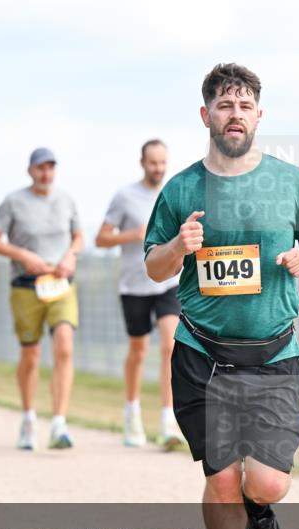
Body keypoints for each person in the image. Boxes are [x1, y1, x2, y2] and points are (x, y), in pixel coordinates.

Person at [144, 63, 299, 529]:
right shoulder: (181, 189)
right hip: (203, 354)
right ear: (206, 115)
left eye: (245, 106)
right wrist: (179, 246)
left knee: (268, 483)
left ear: (259, 115)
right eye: (225, 106)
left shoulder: (289, 182)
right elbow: (155, 268)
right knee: (222, 477)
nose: (235, 115)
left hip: (274, 353)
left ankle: (260, 508)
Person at [0, 147, 84, 451]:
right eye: (41, 168)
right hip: (26, 285)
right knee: (31, 355)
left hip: (60, 283)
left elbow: (78, 236)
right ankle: (28, 418)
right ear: (30, 170)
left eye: (51, 167)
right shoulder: (14, 201)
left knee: (64, 344)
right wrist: (22, 255)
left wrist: (70, 255)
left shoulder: (66, 199)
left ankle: (59, 423)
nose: (46, 173)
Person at [95, 139, 185, 449]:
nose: (158, 168)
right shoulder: (124, 197)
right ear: (142, 163)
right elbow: (102, 238)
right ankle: (132, 414)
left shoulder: (173, 193)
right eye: (153, 163)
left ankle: (168, 421)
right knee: (138, 352)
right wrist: (134, 234)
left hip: (168, 282)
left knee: (170, 346)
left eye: (163, 162)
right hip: (134, 285)